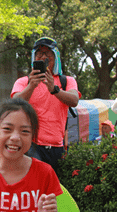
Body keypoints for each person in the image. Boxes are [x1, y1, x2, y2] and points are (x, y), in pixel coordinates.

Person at [12, 37, 79, 174]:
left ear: (55, 58)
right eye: (39, 53)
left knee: (54, 190)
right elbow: (14, 104)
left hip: (57, 146)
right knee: (35, 185)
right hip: (31, 145)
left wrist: (54, 89)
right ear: (33, 58)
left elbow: (74, 100)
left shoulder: (67, 81)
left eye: (48, 53)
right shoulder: (23, 82)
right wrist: (32, 86)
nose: (43, 57)